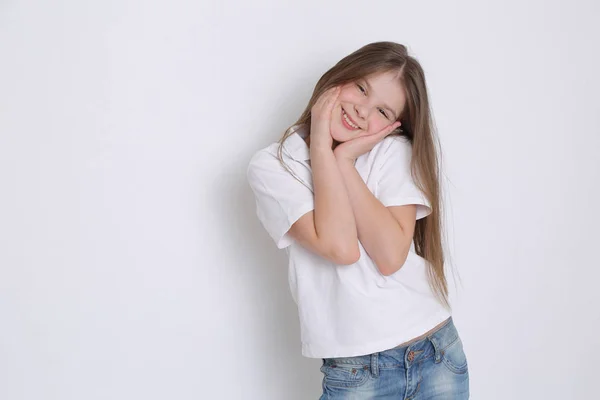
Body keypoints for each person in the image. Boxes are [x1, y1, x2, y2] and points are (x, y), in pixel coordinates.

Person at [246, 41, 469, 399]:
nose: (362, 111)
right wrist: (321, 145)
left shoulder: (392, 152)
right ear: (338, 77)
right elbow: (341, 247)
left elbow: (390, 256)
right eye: (361, 88)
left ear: (394, 124)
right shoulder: (274, 166)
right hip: (356, 371)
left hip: (435, 352)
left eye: (382, 111)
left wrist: (345, 162)